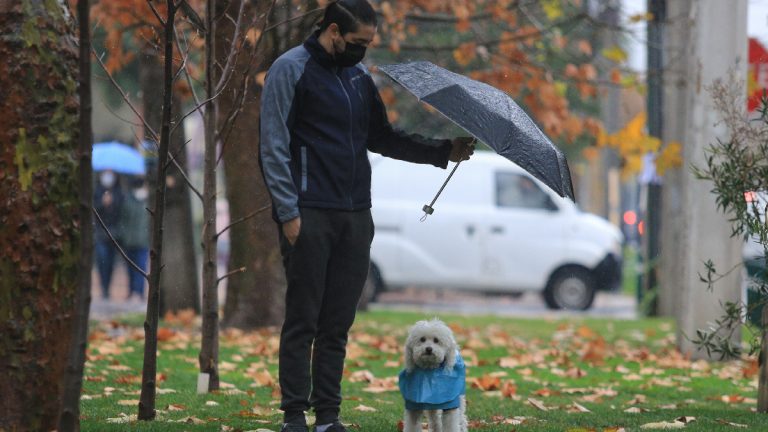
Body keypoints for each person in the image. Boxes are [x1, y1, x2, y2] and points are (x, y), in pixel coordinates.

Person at [259, 1, 474, 431]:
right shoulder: (290, 69)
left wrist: (442, 151)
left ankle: (327, 417)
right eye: (359, 42)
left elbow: (382, 138)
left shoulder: (358, 78)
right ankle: (294, 417)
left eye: (369, 44)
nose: (364, 51)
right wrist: (288, 213)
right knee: (303, 320)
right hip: (308, 213)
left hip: (356, 216)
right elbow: (272, 145)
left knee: (337, 324)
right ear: (334, 31)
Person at [93, 169, 124, 300]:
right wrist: (102, 203)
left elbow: (122, 211)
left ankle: (108, 287)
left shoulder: (119, 192)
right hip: (100, 233)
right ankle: (103, 287)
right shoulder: (97, 192)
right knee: (102, 260)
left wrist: (113, 203)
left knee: (111, 262)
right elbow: (94, 209)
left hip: (114, 234)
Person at [119, 176, 150, 301]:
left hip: (143, 241)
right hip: (129, 242)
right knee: (131, 269)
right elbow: (123, 221)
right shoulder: (128, 201)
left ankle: (139, 292)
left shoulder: (148, 201)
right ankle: (132, 291)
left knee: (141, 267)